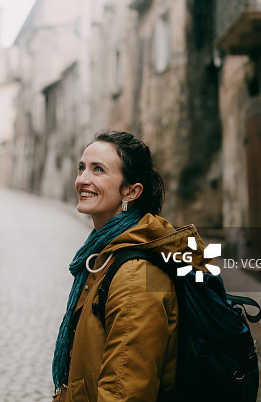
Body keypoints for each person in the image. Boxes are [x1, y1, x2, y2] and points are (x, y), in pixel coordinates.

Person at [52, 129, 209, 402]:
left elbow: (125, 392)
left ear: (131, 191)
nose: (82, 180)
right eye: (82, 168)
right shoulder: (106, 252)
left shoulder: (135, 272)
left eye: (98, 170)